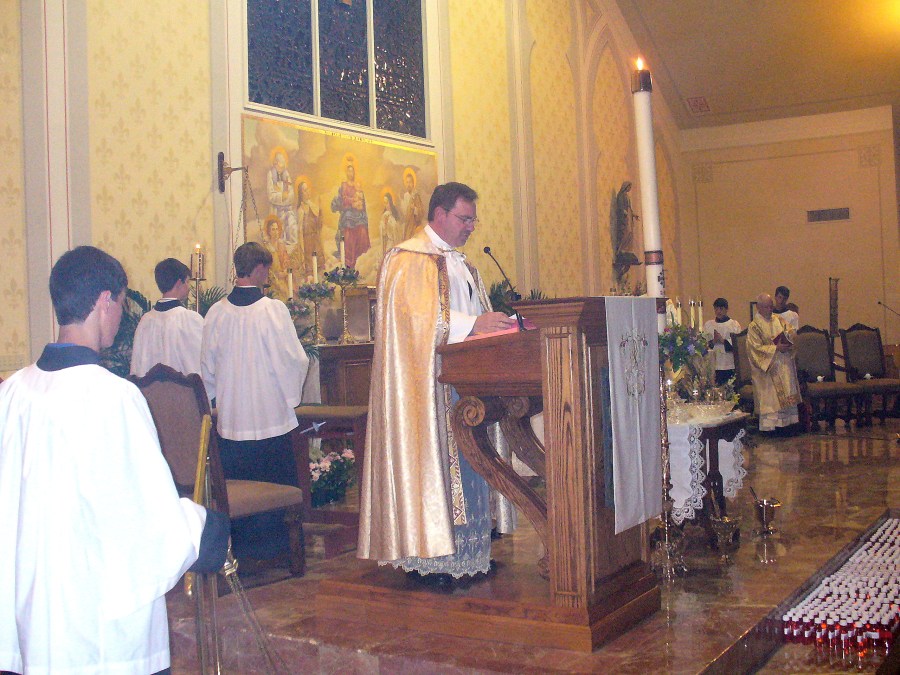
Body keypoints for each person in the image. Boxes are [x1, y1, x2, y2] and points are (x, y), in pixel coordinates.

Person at [0, 246, 228, 674]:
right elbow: (145, 518)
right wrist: (205, 530)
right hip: (96, 632)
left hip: (31, 616)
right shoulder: (112, 397)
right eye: (121, 302)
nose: (122, 314)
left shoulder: (12, 393)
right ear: (105, 300)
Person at [357, 182, 517, 588]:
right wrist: (473, 324)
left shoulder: (462, 263)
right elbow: (414, 322)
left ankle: (469, 557)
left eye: (473, 220)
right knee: (437, 473)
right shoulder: (408, 258)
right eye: (465, 219)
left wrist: (495, 327)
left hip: (466, 381)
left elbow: (471, 317)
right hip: (427, 390)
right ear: (440, 214)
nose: (470, 227)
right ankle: (432, 562)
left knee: (472, 467)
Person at [201, 242, 309, 557]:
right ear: (259, 268)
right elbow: (292, 360)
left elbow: (206, 367)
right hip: (270, 420)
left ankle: (244, 552)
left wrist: (218, 396)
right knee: (276, 487)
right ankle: (278, 549)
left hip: (232, 423)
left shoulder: (216, 313)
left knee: (238, 487)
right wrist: (291, 396)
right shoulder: (272, 311)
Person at [130, 257, 204, 377]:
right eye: (187, 282)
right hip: (183, 389)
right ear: (179, 283)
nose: (188, 288)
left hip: (149, 389)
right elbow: (201, 364)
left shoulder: (145, 320)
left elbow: (137, 367)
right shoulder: (189, 319)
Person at [747, 293, 802, 433]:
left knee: (787, 391)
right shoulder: (754, 326)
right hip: (768, 368)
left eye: (771, 306)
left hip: (783, 363)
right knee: (772, 398)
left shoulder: (779, 320)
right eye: (766, 307)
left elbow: (791, 333)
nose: (770, 309)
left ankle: (788, 425)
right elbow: (755, 349)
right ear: (759, 307)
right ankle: (771, 427)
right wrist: (775, 348)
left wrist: (789, 338)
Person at [330, 160, 370, 268]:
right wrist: (352, 201)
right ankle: (348, 261)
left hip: (358, 214)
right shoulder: (344, 185)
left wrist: (359, 203)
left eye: (352, 171)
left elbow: (362, 200)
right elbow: (343, 200)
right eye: (348, 171)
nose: (350, 173)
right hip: (348, 213)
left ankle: (361, 260)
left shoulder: (357, 185)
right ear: (346, 172)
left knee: (362, 230)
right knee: (348, 234)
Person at [702, 297, 741, 386]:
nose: (718, 311)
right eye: (716, 309)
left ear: (726, 309)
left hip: (730, 365)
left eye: (721, 309)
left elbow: (737, 345)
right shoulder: (709, 325)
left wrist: (722, 340)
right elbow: (704, 345)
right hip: (715, 365)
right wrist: (713, 341)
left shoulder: (734, 325)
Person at [266, 147, 299, 247]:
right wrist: (281, 197)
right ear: (275, 163)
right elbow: (271, 195)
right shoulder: (271, 174)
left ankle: (292, 248)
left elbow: (292, 195)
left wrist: (286, 198)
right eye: (280, 163)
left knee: (293, 226)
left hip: (287, 209)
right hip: (276, 210)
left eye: (283, 164)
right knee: (278, 232)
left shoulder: (286, 174)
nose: (282, 166)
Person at [400, 167, 425, 239]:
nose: (408, 184)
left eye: (410, 182)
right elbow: (405, 213)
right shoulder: (405, 196)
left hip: (415, 225)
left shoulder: (416, 196)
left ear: (413, 183)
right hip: (407, 225)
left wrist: (414, 209)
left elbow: (421, 212)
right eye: (407, 182)